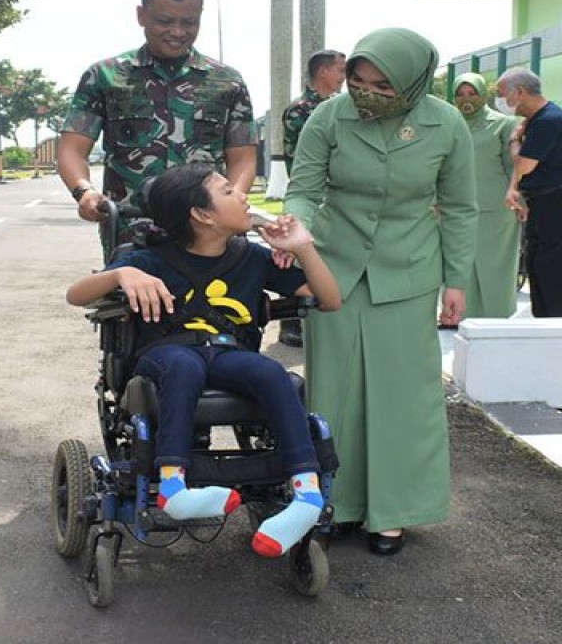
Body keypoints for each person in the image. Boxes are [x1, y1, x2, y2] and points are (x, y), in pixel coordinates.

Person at [65, 164, 342, 558]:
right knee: (184, 365)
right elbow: (76, 295)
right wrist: (121, 274)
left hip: (229, 353)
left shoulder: (252, 258)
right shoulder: (148, 260)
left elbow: (330, 299)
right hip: (166, 355)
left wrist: (302, 247)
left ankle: (306, 496)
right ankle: (173, 490)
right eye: (228, 191)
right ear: (201, 214)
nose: (243, 195)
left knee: (270, 371)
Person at [285, 27, 476, 555]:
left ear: (414, 82)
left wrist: (456, 281)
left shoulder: (446, 123)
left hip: (409, 270)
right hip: (334, 270)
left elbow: (460, 208)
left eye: (383, 86)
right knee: (333, 393)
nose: (368, 93)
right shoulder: (330, 116)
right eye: (360, 82)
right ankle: (334, 504)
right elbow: (304, 189)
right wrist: (294, 231)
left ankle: (394, 511)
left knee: (403, 397)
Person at [57, 0, 257, 225]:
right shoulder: (105, 76)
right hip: (131, 223)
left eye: (190, 22)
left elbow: (243, 158)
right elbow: (72, 148)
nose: (178, 32)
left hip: (207, 228)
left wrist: (231, 204)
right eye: (165, 21)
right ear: (141, 15)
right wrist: (84, 191)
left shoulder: (228, 82)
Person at [497, 67, 562, 318]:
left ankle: (557, 330)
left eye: (502, 94)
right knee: (538, 265)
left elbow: (524, 164)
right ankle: (543, 326)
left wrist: (514, 141)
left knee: (556, 272)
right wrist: (514, 190)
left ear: (519, 92)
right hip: (544, 200)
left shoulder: (549, 120)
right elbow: (524, 170)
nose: (500, 100)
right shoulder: (534, 120)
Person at [276, 48, 346, 347]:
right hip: (310, 193)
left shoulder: (339, 107)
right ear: (323, 71)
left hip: (333, 194)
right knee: (298, 254)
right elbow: (306, 158)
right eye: (340, 70)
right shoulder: (302, 109)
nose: (344, 77)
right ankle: (291, 321)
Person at [451, 71, 520, 321]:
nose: (466, 99)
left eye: (472, 93)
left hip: (495, 209)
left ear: (482, 95)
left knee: (496, 269)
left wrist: (519, 199)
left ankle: (498, 323)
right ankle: (464, 321)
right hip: (455, 210)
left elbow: (513, 166)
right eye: (460, 94)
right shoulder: (448, 124)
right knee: (462, 269)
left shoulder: (504, 124)